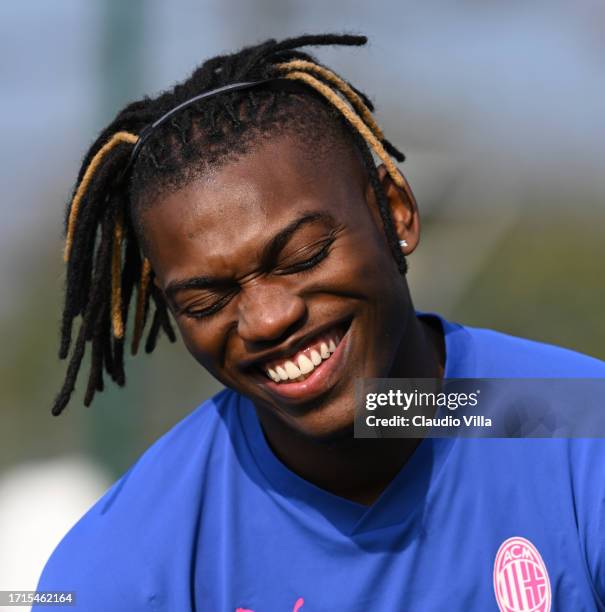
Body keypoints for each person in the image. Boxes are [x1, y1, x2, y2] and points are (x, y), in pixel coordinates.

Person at [36, 34, 605, 611]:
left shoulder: (579, 435)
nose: (267, 319)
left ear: (396, 213)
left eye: (304, 256)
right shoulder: (123, 571)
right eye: (208, 301)